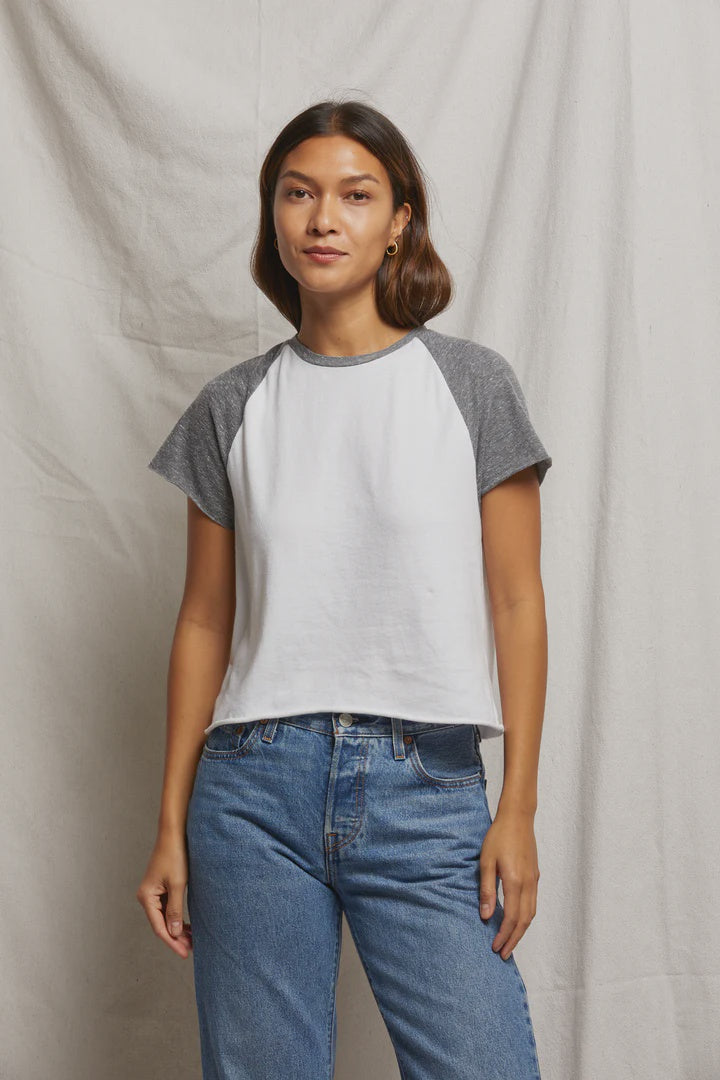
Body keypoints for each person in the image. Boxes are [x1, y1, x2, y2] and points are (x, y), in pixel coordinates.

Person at [136, 98, 552, 1080]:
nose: (324, 219)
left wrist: (521, 807)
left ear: (399, 217)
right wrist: (167, 825)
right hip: (250, 790)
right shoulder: (232, 406)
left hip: (428, 786)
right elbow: (202, 619)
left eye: (356, 195)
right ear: (273, 216)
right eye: (299, 194)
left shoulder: (472, 386)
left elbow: (518, 605)